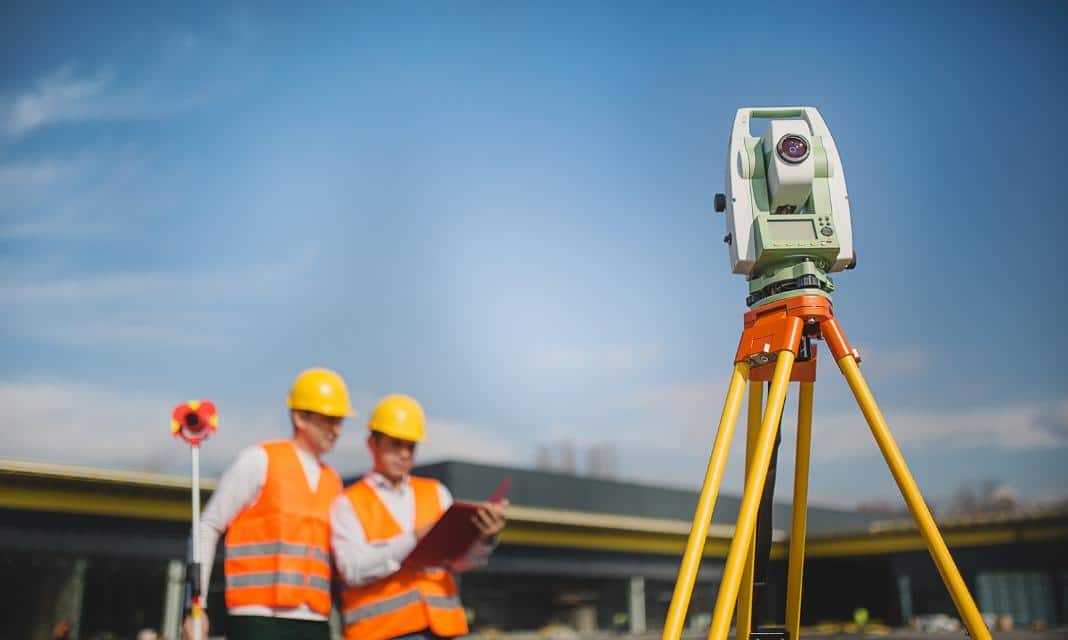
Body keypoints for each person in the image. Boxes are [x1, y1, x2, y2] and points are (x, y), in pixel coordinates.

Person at [189, 368, 353, 640]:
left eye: (340, 421)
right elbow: (207, 526)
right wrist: (195, 606)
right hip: (258, 619)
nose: (337, 430)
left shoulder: (332, 481)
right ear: (300, 417)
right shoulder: (259, 460)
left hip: (314, 621)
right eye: (329, 419)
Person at [331, 394, 508, 640]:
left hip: (445, 629)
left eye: (411, 447)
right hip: (384, 633)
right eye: (396, 444)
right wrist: (414, 538)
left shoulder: (436, 493)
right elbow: (353, 570)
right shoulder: (347, 503)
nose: (404, 454)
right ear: (373, 443)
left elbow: (458, 563)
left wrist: (485, 539)